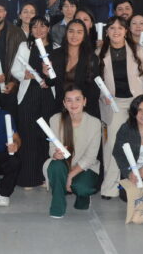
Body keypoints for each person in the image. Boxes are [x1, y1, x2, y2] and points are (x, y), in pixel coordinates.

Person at [98, 16, 143, 199]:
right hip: (113, 104)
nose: (116, 31)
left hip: (137, 103)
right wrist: (103, 96)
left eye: (120, 28)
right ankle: (110, 187)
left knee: (141, 144)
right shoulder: (99, 52)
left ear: (126, 31)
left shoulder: (138, 50)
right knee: (112, 145)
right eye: (112, 28)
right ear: (107, 32)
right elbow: (94, 81)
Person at [11, 15, 56, 188]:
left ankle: (45, 176)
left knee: (46, 137)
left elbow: (58, 74)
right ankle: (28, 178)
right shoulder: (25, 46)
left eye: (43, 26)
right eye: (35, 27)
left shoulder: (56, 47)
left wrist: (49, 76)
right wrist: (25, 75)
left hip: (48, 96)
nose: (39, 30)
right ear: (30, 30)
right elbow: (15, 69)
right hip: (28, 95)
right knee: (28, 137)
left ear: (48, 28)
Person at [45, 86, 101, 219]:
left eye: (77, 99)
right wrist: (55, 154)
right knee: (55, 166)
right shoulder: (55, 119)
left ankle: (83, 196)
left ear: (84, 101)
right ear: (64, 103)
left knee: (82, 188)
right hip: (63, 164)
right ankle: (57, 206)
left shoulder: (94, 123)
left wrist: (70, 176)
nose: (73, 104)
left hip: (85, 167)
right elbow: (52, 147)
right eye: (69, 100)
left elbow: (91, 157)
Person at [48, 19, 101, 119]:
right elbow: (51, 82)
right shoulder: (55, 55)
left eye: (79, 32)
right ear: (66, 33)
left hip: (85, 110)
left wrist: (81, 109)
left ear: (84, 36)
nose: (74, 35)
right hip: (61, 108)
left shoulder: (91, 58)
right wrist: (47, 74)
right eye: (71, 31)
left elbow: (94, 90)